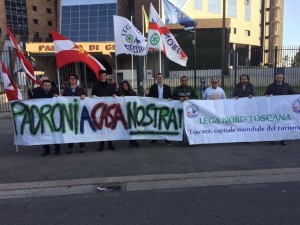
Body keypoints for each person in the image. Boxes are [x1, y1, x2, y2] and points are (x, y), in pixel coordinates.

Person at [30, 79, 61, 157]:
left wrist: (58, 97)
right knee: (44, 132)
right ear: (42, 86)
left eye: (49, 85)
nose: (47, 87)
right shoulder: (37, 93)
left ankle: (57, 149)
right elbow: (30, 100)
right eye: (46, 85)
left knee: (55, 132)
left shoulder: (55, 92)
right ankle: (46, 149)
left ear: (51, 86)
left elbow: (61, 101)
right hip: (43, 117)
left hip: (53, 117)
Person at [265, 73, 296, 146]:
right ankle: (272, 139)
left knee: (283, 124)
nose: (279, 78)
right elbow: (266, 94)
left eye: (280, 77)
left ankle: (283, 139)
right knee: (273, 123)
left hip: (284, 108)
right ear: (275, 78)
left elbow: (293, 94)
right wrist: (266, 95)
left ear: (283, 78)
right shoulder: (271, 86)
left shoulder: (287, 86)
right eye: (277, 77)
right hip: (274, 108)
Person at [91, 70, 116, 151]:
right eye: (101, 76)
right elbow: (92, 95)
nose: (103, 77)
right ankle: (101, 145)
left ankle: (110, 144)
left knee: (109, 126)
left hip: (109, 109)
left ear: (106, 77)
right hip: (99, 109)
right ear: (99, 77)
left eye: (104, 76)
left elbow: (114, 94)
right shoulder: (95, 86)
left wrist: (114, 95)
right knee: (100, 126)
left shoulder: (111, 86)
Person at [63, 73, 87, 153]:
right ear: (69, 80)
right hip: (69, 112)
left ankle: (82, 146)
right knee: (70, 129)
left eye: (74, 78)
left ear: (76, 80)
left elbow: (86, 100)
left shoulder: (81, 89)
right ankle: (70, 147)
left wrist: (84, 97)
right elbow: (63, 100)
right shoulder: (66, 90)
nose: (72, 79)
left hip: (79, 112)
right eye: (71, 78)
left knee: (80, 129)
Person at [146, 72, 172, 145]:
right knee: (155, 123)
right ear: (156, 78)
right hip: (155, 108)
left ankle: (166, 138)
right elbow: (149, 96)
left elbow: (170, 96)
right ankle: (155, 138)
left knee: (165, 123)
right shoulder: (153, 87)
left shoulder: (167, 87)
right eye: (158, 77)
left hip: (164, 107)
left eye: (160, 77)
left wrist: (170, 98)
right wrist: (143, 96)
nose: (159, 78)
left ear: (162, 78)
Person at [118, 80, 140, 148]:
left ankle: (133, 141)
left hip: (132, 112)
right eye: (124, 85)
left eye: (126, 85)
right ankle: (131, 141)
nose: (125, 87)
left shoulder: (133, 93)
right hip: (124, 113)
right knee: (127, 127)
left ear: (128, 85)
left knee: (132, 127)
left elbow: (136, 100)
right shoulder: (120, 93)